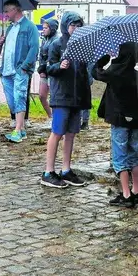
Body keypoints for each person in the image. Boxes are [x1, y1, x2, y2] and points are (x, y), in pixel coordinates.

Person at [38, 12, 90, 189]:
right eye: (73, 25)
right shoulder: (57, 44)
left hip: (77, 97)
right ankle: (48, 171)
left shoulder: (84, 46)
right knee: (57, 132)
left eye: (79, 25)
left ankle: (66, 170)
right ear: (66, 26)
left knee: (71, 134)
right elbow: (47, 68)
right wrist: (59, 66)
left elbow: (87, 71)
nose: (76, 28)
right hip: (62, 96)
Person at [93, 40, 138, 208]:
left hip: (120, 120)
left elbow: (97, 73)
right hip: (135, 119)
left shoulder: (116, 71)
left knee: (120, 157)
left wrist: (104, 59)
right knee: (133, 155)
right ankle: (136, 191)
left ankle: (125, 194)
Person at [0, 0, 40, 142]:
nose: (5, 14)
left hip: (19, 70)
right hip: (7, 71)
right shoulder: (10, 28)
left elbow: (34, 48)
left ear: (15, 9)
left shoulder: (29, 27)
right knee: (12, 101)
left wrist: (24, 67)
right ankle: (21, 129)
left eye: (7, 11)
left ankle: (17, 129)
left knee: (19, 97)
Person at [31, 18, 58, 121]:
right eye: (43, 28)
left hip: (52, 72)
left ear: (52, 28)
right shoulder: (44, 39)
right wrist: (41, 69)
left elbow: (53, 58)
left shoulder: (56, 40)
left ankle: (55, 119)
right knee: (42, 96)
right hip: (44, 72)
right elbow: (42, 55)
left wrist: (46, 68)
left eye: (46, 28)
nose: (43, 30)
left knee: (54, 97)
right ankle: (50, 116)